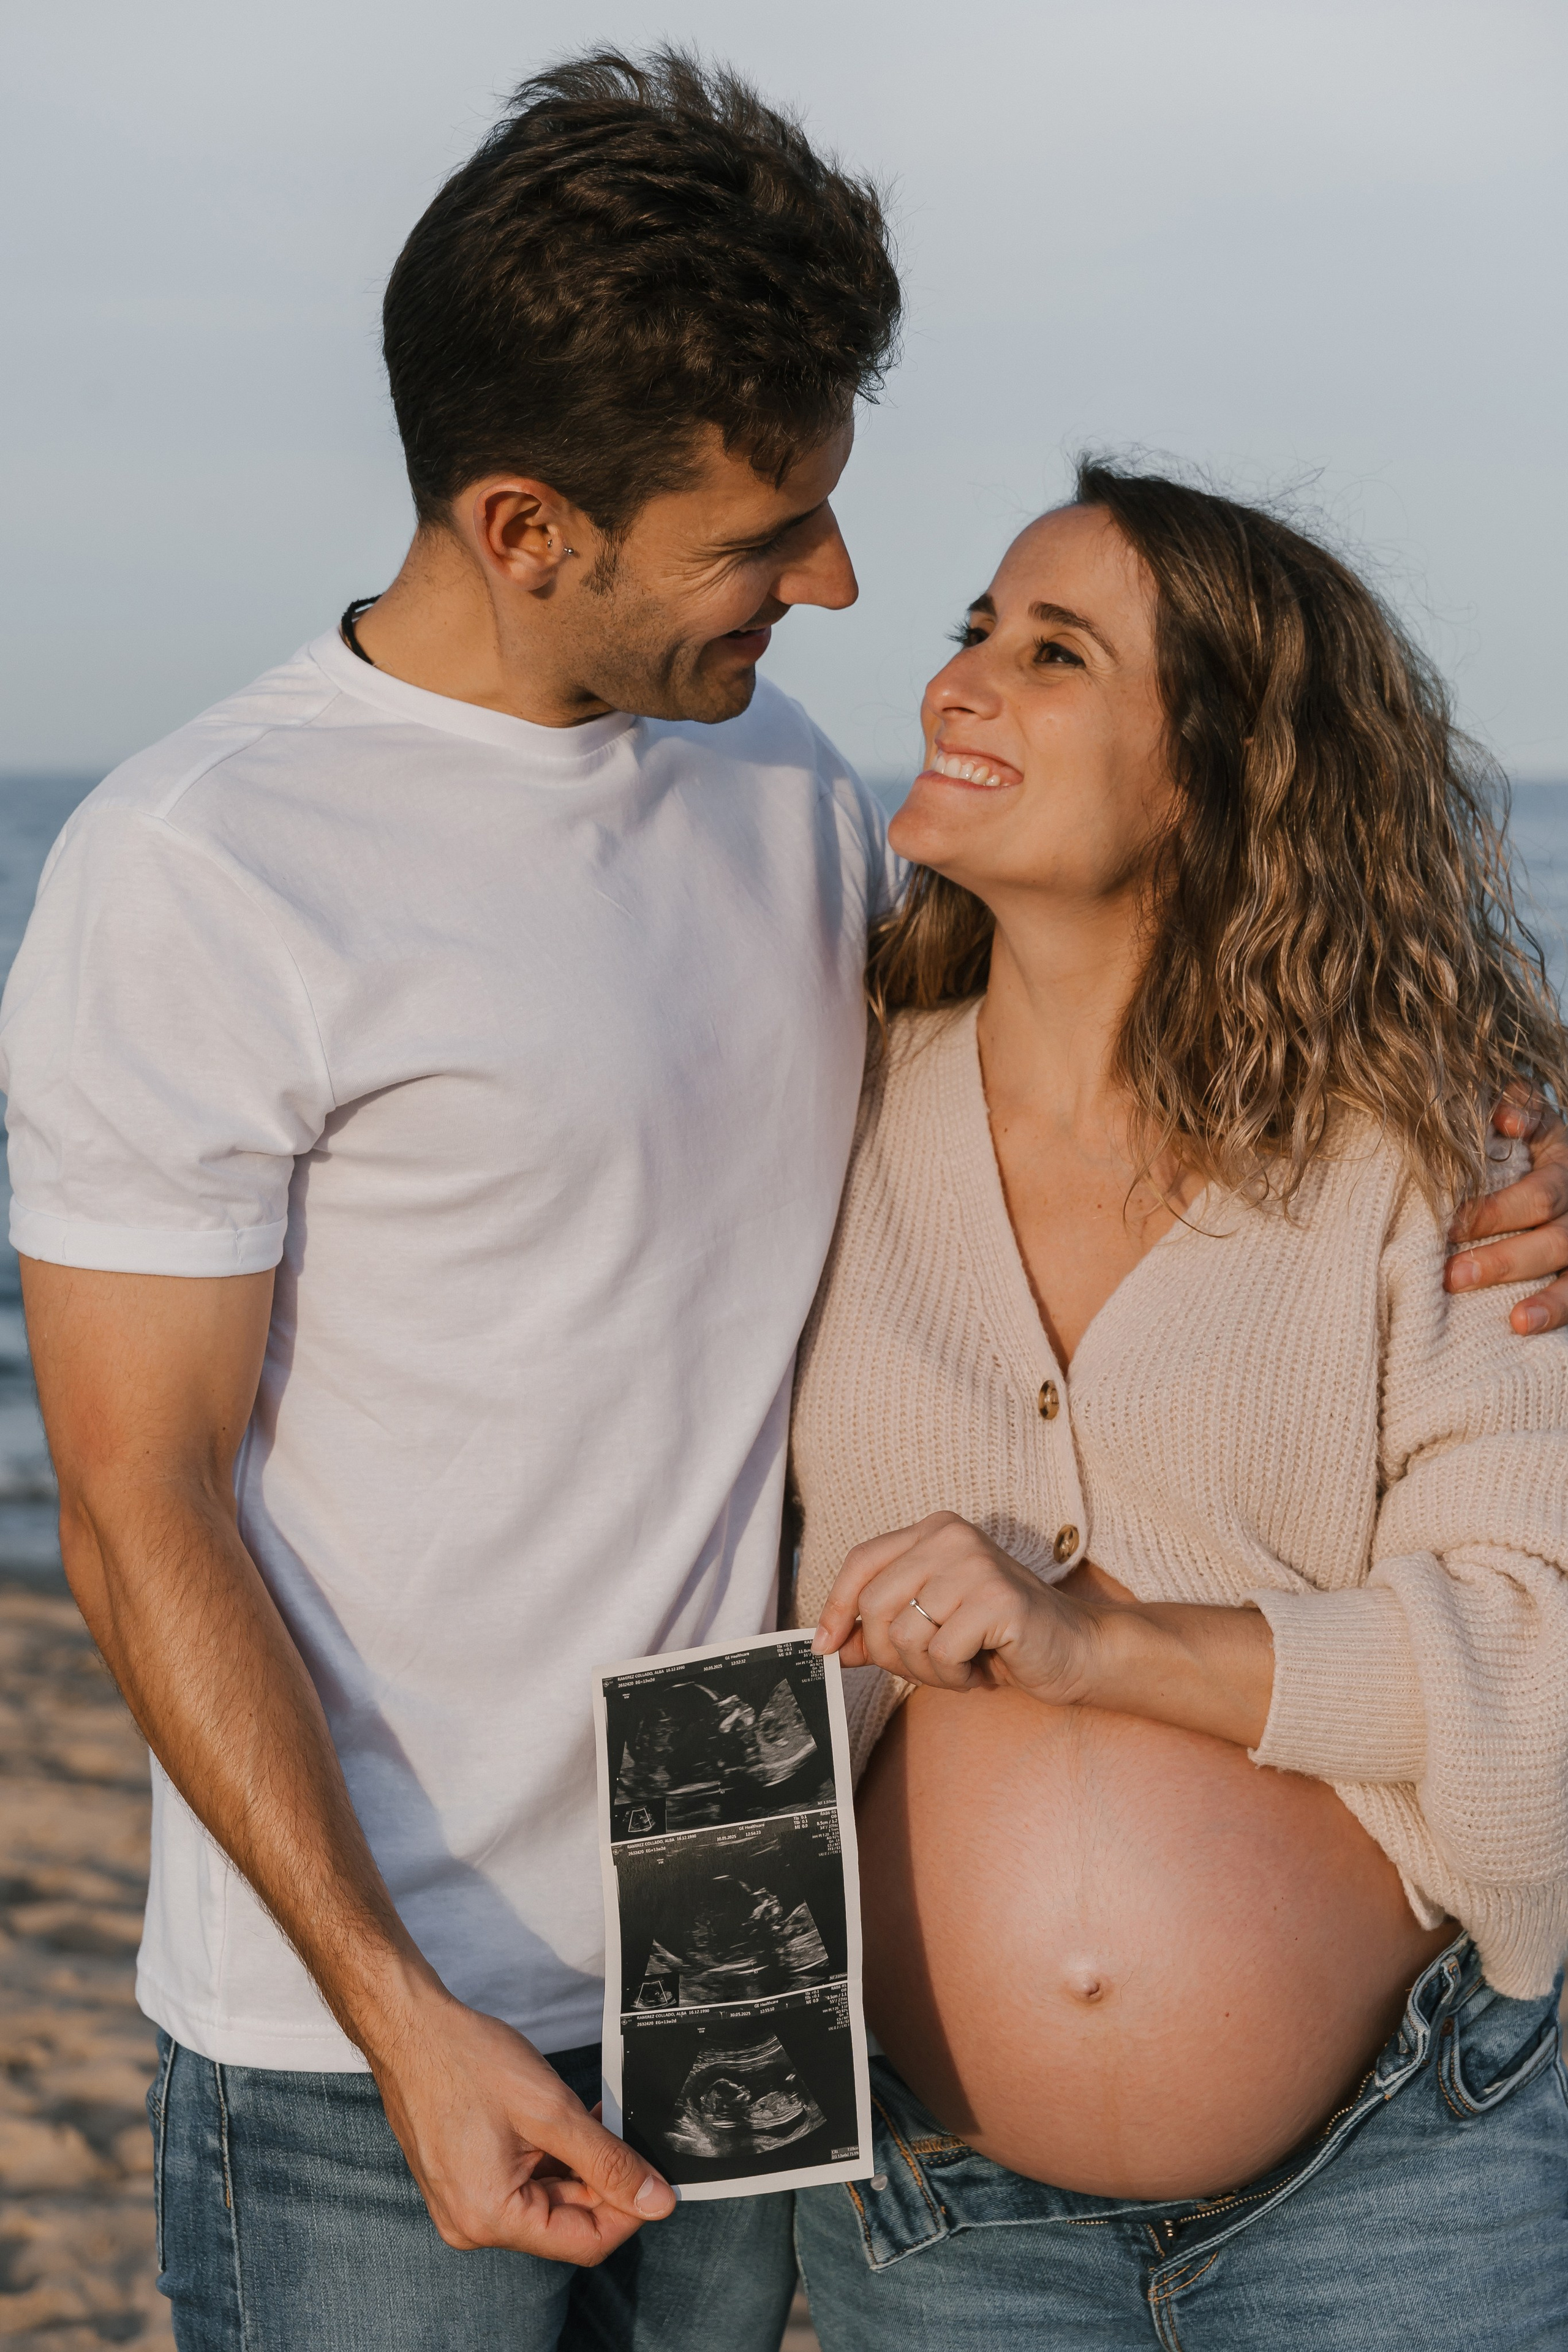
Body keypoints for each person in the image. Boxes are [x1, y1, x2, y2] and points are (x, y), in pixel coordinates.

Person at [0, 50, 902, 2352]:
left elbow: (1100, 1095)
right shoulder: (209, 864)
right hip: (358, 2004)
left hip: (736, 1890)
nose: (835, 578)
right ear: (525, 528)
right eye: (762, 532)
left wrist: (1506, 1148)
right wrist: (399, 2011)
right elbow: (131, 1499)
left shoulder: (786, 781)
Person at [791, 462, 1568, 2349]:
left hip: (1399, 2182)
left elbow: (1543, 1675)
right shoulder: (806, 1090)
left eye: (1054, 652)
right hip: (932, 2212)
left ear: (1226, 767)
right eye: (974, 628)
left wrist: (1102, 1645)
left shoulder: (1438, 1149)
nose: (958, 682)